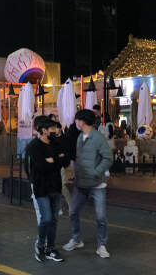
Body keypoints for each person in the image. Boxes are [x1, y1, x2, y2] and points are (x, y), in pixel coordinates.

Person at [62, 109, 113, 258]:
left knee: (101, 217)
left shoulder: (98, 138)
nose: (75, 123)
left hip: (97, 185)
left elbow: (108, 158)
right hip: (81, 183)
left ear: (82, 122)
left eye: (77, 120)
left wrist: (96, 172)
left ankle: (102, 245)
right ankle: (77, 239)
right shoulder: (80, 137)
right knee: (73, 211)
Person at [31, 119, 69, 262]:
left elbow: (66, 161)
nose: (55, 130)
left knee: (54, 219)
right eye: (52, 128)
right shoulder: (34, 146)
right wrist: (56, 160)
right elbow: (41, 165)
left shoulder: (56, 144)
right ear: (44, 130)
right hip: (41, 187)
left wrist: (52, 160)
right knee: (46, 218)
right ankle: (40, 245)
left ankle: (51, 248)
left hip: (55, 186)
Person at [55, 122, 73, 214]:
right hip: (54, 165)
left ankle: (71, 206)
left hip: (61, 165)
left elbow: (68, 152)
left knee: (61, 186)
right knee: (57, 187)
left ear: (59, 129)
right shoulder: (52, 139)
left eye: (56, 128)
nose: (54, 130)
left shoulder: (65, 139)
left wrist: (63, 156)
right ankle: (59, 208)